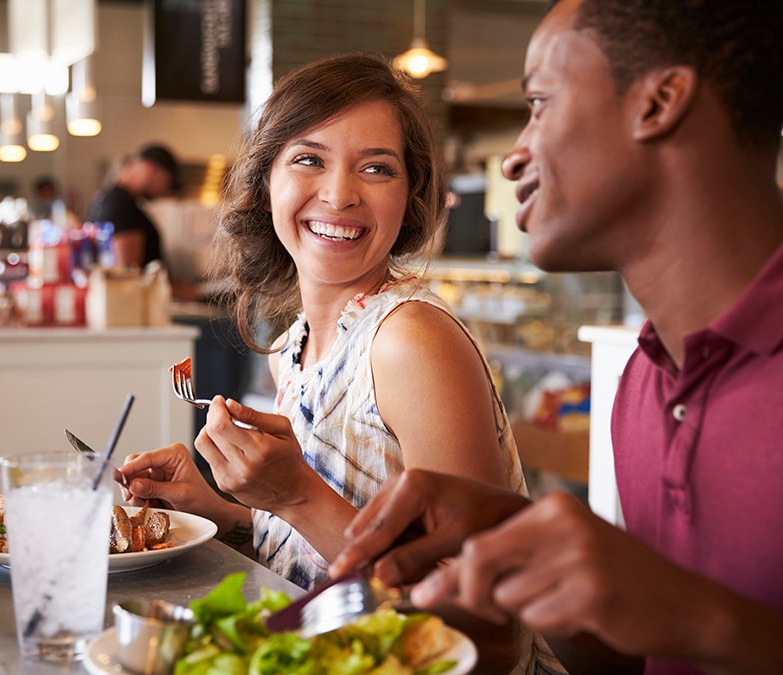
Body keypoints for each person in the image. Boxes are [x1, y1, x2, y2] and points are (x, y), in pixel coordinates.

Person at [331, 1, 783, 673]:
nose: (514, 156)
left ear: (658, 103)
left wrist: (696, 613)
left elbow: (689, 622)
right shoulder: (645, 380)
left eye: (539, 103)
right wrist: (516, 563)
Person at [118, 52, 554, 673]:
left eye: (377, 168)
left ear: (411, 198)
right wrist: (221, 509)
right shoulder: (294, 349)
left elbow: (486, 633)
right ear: (267, 177)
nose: (340, 194)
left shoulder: (410, 342)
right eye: (309, 158)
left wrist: (296, 497)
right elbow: (330, 549)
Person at [85, 143, 181, 270]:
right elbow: (128, 276)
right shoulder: (122, 206)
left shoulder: (106, 198)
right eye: (167, 183)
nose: (164, 192)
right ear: (153, 169)